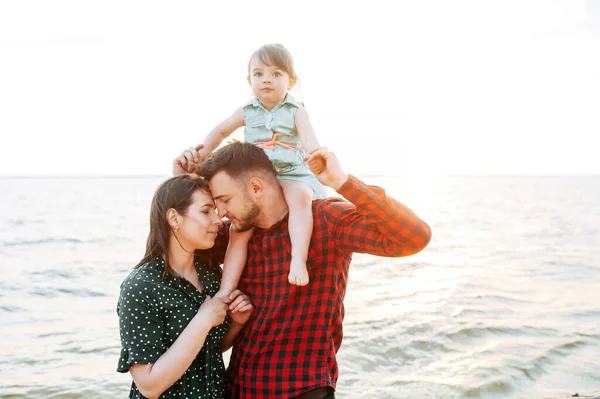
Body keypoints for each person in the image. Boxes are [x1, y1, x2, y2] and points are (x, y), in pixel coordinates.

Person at [173, 142, 432, 399]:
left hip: (302, 390)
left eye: (225, 200)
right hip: (238, 388)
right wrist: (181, 182)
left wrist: (342, 182)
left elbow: (412, 237)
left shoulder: (326, 219)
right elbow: (174, 249)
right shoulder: (235, 234)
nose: (221, 212)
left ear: (255, 187)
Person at [186, 43, 325, 292]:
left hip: (292, 174)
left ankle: (298, 260)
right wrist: (201, 153)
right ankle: (225, 291)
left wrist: (317, 156)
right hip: (258, 180)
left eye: (276, 74)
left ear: (291, 81)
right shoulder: (246, 112)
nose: (266, 80)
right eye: (258, 74)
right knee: (239, 230)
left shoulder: (296, 112)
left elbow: (310, 140)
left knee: (301, 199)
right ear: (249, 79)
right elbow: (220, 131)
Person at [116, 174, 254, 399]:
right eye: (205, 211)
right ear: (173, 218)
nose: (218, 220)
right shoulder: (141, 286)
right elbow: (149, 385)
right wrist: (204, 318)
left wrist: (236, 324)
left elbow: (209, 349)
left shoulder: (210, 274)